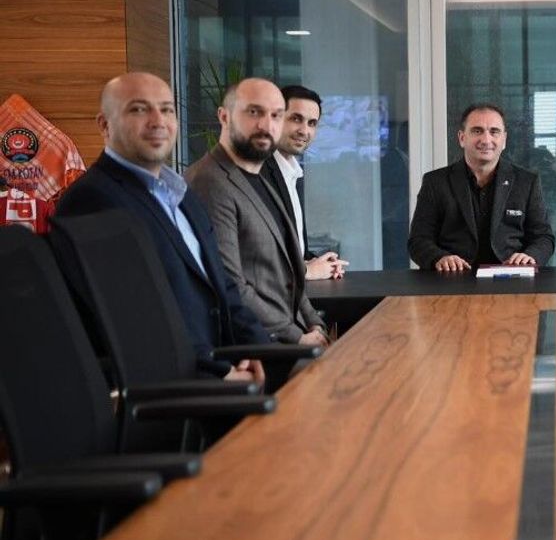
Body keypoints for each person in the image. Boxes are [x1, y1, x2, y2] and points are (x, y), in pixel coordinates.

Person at [57, 72, 269, 382]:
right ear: (104, 124)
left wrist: (262, 353)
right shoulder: (92, 200)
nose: (158, 121)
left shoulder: (181, 194)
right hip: (174, 387)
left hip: (225, 371)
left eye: (167, 109)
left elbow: (223, 288)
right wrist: (221, 374)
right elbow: (133, 318)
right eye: (139, 109)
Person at [185, 78, 329, 348]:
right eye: (254, 112)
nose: (266, 125)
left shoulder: (259, 175)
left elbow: (288, 271)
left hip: (293, 333)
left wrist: (313, 321)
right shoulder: (210, 181)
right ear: (224, 116)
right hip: (260, 347)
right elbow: (230, 283)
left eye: (276, 115)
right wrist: (297, 337)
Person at [407, 103, 555, 271]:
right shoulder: (435, 182)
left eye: (494, 131)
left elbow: (543, 237)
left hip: (511, 275)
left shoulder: (527, 182)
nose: (486, 140)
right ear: (462, 138)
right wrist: (439, 258)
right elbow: (418, 240)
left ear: (504, 140)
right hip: (454, 276)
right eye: (477, 131)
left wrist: (530, 256)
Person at [260, 84, 348, 280]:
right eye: (296, 119)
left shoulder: (292, 173)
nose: (304, 130)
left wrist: (317, 263)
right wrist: (308, 271)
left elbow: (294, 250)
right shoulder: (259, 172)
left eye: (312, 123)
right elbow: (259, 255)